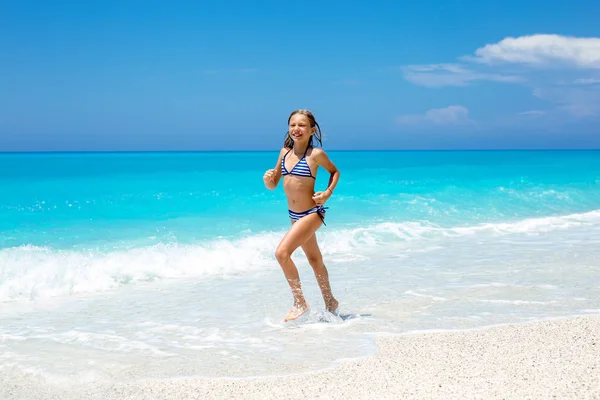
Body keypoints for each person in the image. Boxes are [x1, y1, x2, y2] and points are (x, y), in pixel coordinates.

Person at [263, 109, 340, 322]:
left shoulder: (315, 155)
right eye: (293, 125)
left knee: (282, 253)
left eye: (302, 125)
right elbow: (273, 185)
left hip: (312, 213)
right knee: (315, 260)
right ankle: (330, 301)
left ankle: (299, 302)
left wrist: (326, 193)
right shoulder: (284, 153)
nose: (297, 129)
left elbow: (335, 172)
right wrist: (267, 179)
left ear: (312, 130)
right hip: (294, 216)